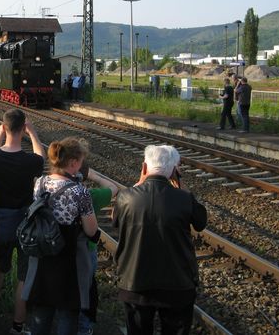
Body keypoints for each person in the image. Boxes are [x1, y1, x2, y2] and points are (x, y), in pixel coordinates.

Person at [112, 145, 207, 335]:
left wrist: (140, 180)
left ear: (144, 167)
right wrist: (180, 183)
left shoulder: (125, 198)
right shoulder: (184, 198)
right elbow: (200, 222)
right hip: (177, 284)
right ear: (174, 170)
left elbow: (115, 221)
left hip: (134, 282)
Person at [22, 137, 100, 335]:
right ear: (73, 163)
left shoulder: (40, 183)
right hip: (68, 259)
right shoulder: (80, 192)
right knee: (67, 312)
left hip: (43, 253)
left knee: (42, 307)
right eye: (81, 161)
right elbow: (91, 231)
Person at [0, 109, 45, 335]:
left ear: (4, 127)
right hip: (25, 223)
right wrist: (34, 134)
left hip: (2, 220)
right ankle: (18, 326)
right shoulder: (29, 161)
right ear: (22, 129)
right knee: (23, 275)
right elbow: (41, 157)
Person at [77, 165, 119, 335]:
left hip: (58, 250)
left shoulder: (45, 186)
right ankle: (84, 327)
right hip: (85, 251)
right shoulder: (90, 196)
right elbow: (113, 188)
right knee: (86, 289)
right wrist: (96, 176)